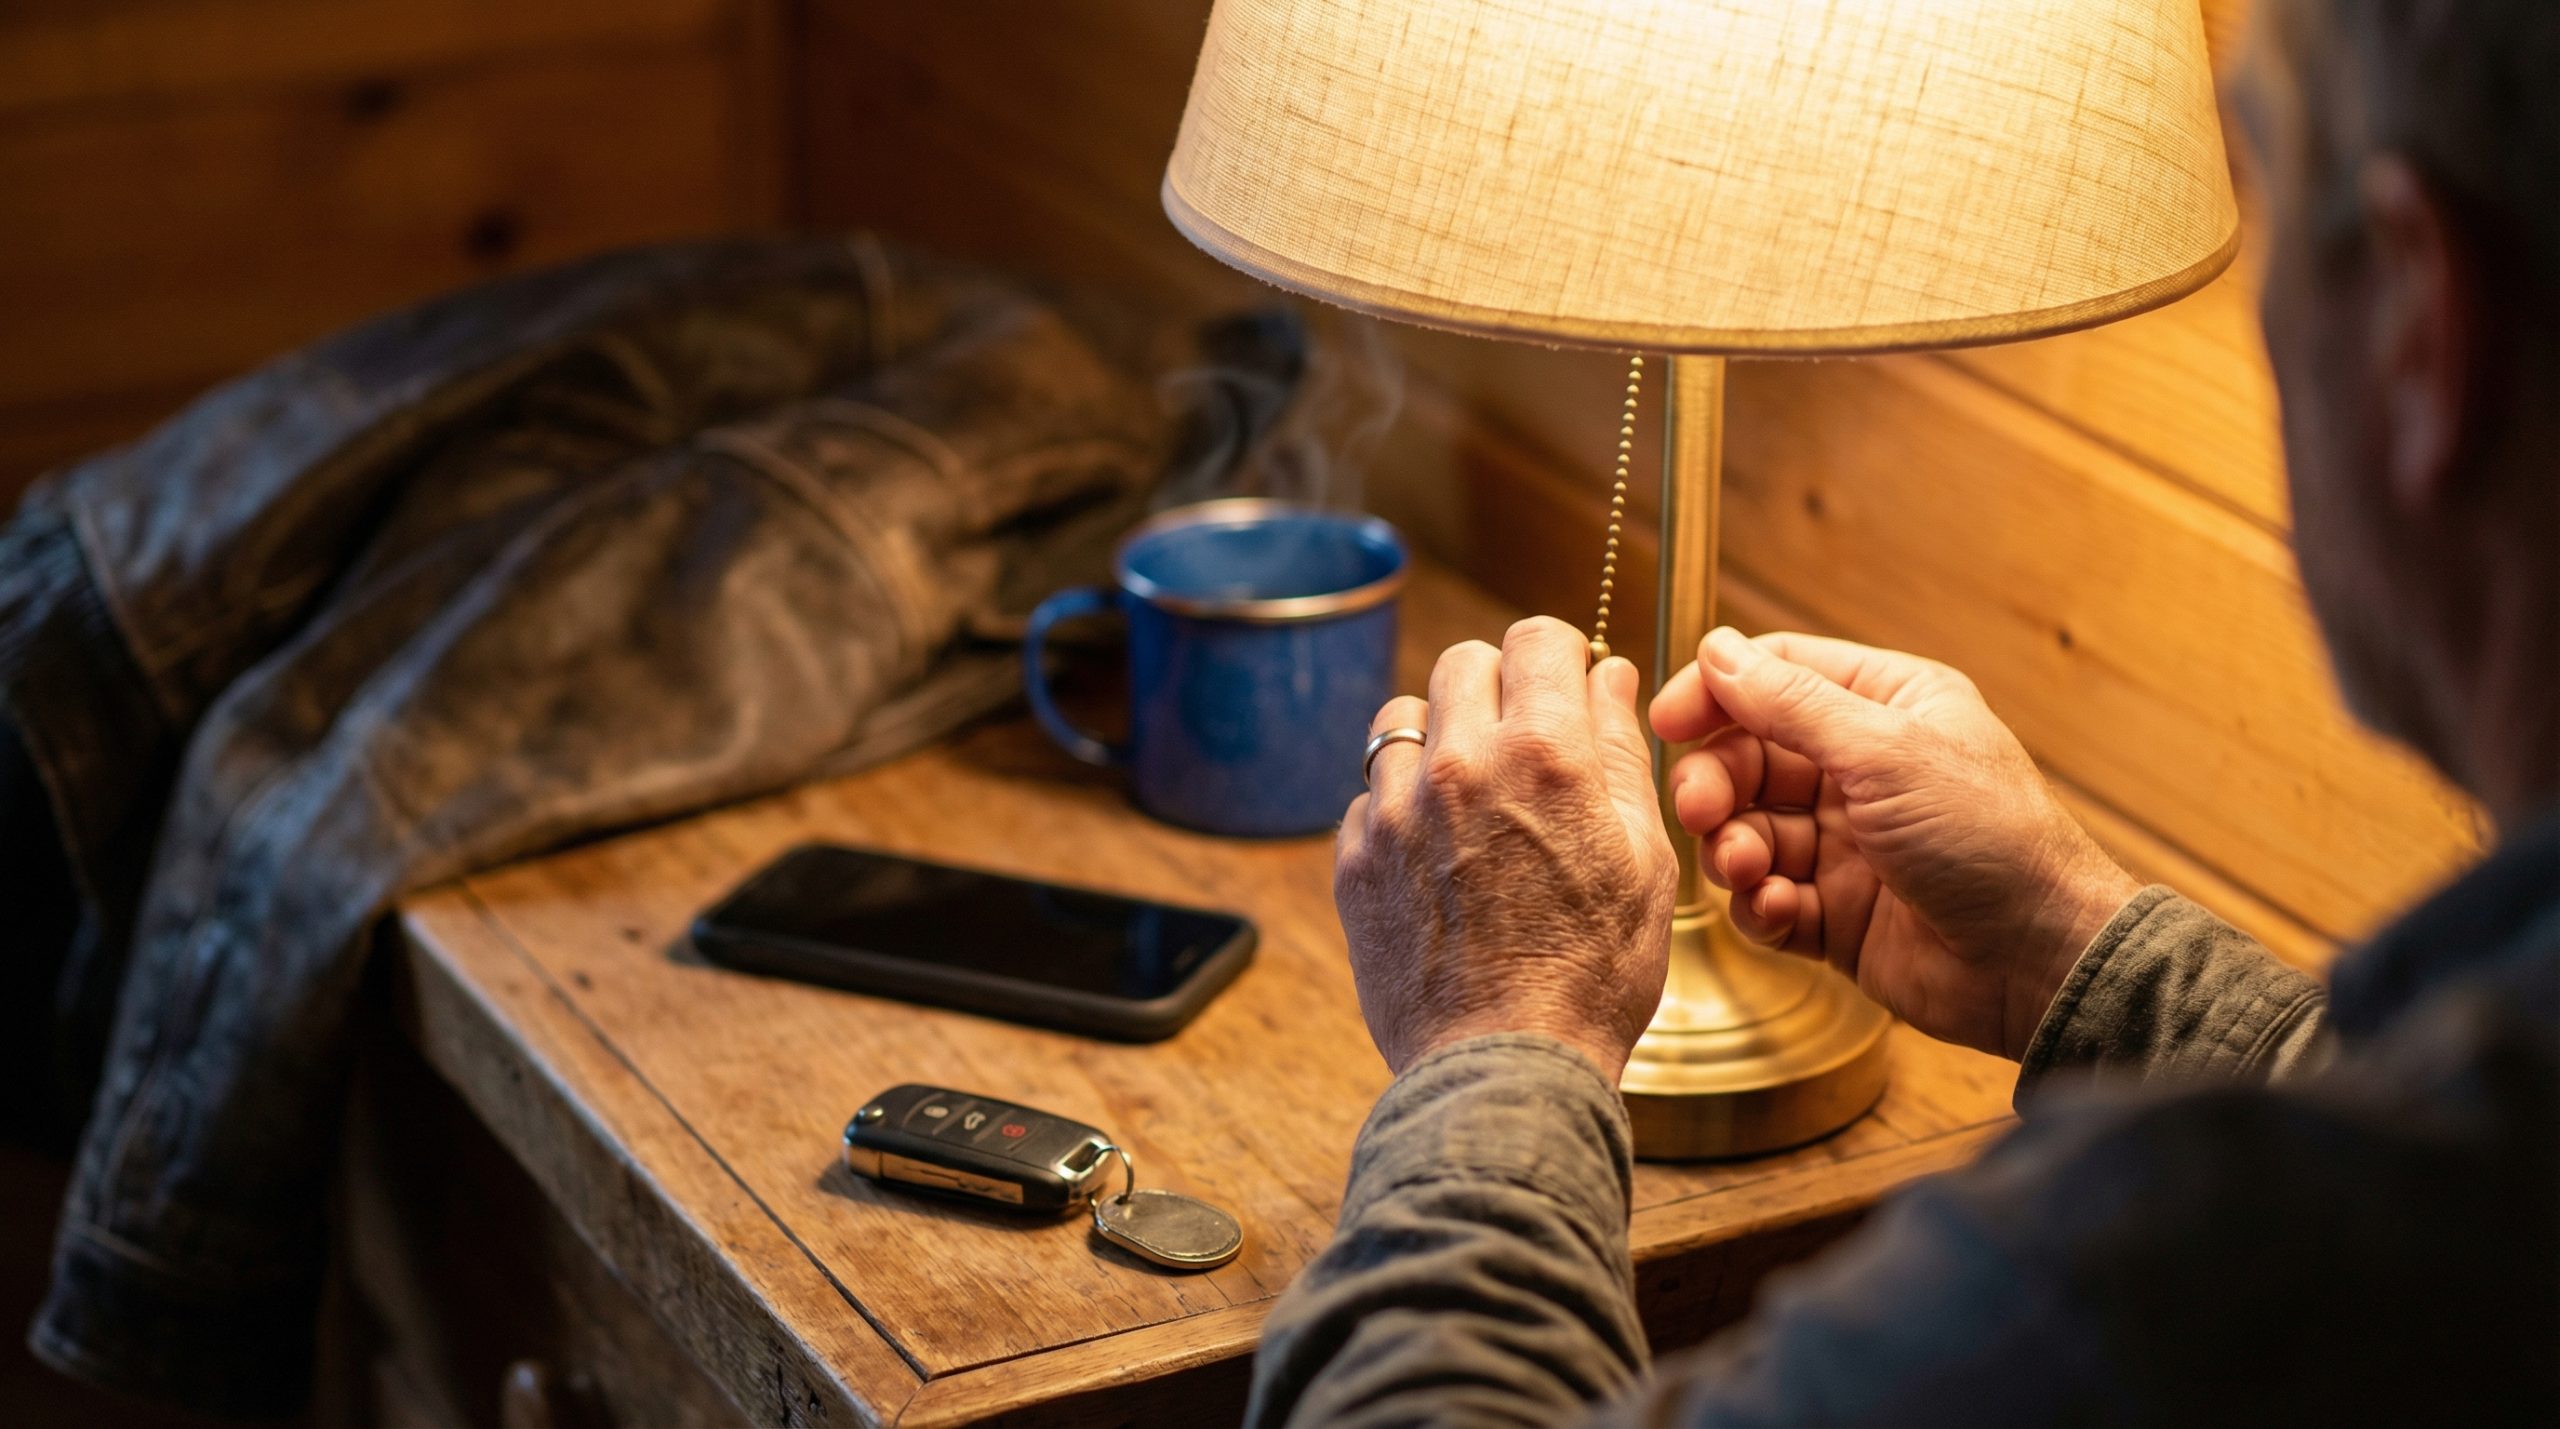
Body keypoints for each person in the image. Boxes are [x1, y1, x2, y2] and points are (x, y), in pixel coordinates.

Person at [1249, 2, 2558, 1424]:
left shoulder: (2134, 1295)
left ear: (2425, 325)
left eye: (2270, 179)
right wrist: (2083, 946)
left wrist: (1494, 1036)